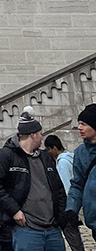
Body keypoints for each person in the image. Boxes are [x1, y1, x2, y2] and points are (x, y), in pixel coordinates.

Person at [0, 113, 67, 251]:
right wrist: (14, 210)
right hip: (27, 230)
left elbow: (58, 188)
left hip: (52, 229)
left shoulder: (45, 157)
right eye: (40, 134)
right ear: (33, 135)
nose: (42, 138)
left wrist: (61, 215)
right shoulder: (6, 155)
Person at [65, 105, 96, 246]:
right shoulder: (80, 152)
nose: (79, 127)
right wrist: (71, 209)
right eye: (79, 123)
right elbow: (77, 184)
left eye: (83, 124)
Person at [46, 138, 83, 251]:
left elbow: (65, 184)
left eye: (49, 149)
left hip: (67, 207)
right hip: (75, 202)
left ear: (55, 148)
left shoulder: (62, 163)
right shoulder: (71, 158)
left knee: (73, 239)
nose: (48, 152)